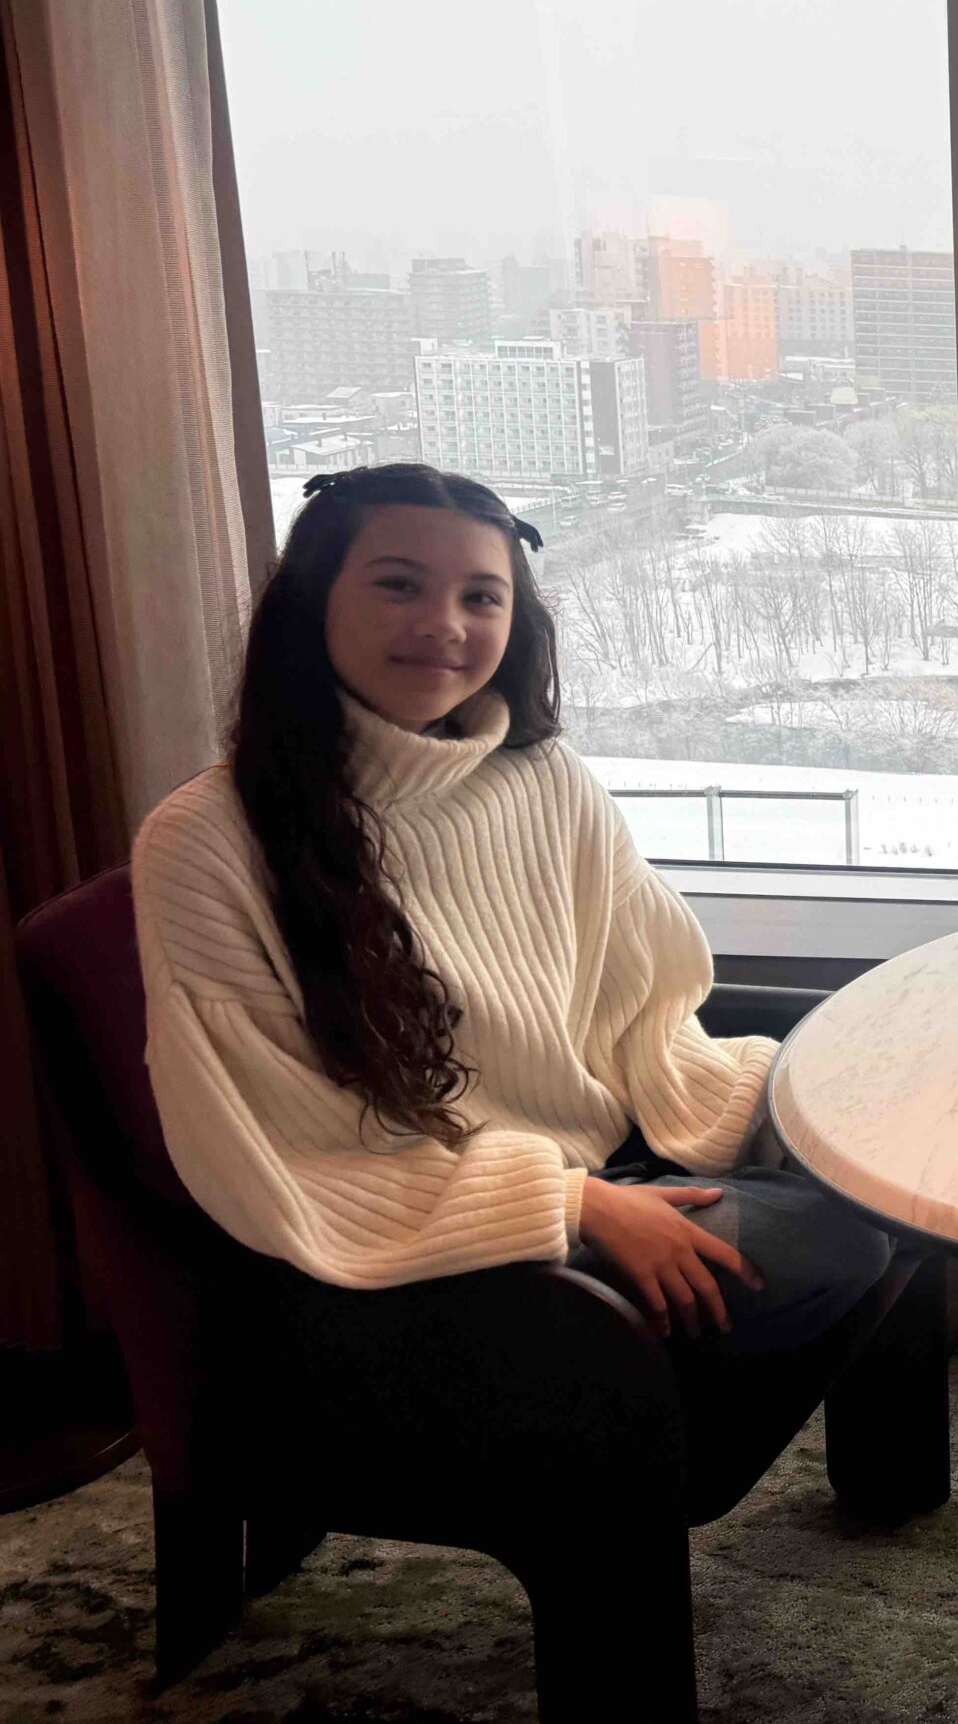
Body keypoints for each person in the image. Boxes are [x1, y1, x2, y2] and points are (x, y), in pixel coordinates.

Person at [133, 462, 890, 1349]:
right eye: (399, 586)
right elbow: (277, 1139)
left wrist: (752, 1113)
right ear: (312, 601)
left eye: (481, 597)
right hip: (447, 1251)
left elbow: (641, 1001)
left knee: (892, 1149)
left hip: (610, 1162)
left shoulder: (542, 774)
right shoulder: (209, 839)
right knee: (845, 1232)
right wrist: (575, 1204)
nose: (444, 625)